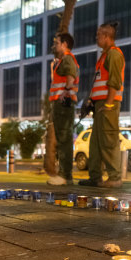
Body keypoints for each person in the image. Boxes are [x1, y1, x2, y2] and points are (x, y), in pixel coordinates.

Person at [79, 22, 125, 188]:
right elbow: (101, 81)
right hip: (100, 105)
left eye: (99, 35)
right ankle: (95, 177)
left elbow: (114, 81)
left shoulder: (114, 54)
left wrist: (109, 104)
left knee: (108, 140)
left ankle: (114, 177)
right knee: (96, 142)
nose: (96, 37)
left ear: (106, 36)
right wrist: (92, 100)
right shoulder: (104, 56)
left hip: (107, 105)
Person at [47, 32, 80, 186]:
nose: (54, 45)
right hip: (62, 104)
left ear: (65, 44)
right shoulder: (62, 61)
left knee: (64, 140)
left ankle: (65, 175)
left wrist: (65, 93)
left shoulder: (67, 59)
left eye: (57, 42)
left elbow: (71, 78)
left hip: (63, 105)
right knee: (63, 139)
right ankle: (65, 175)